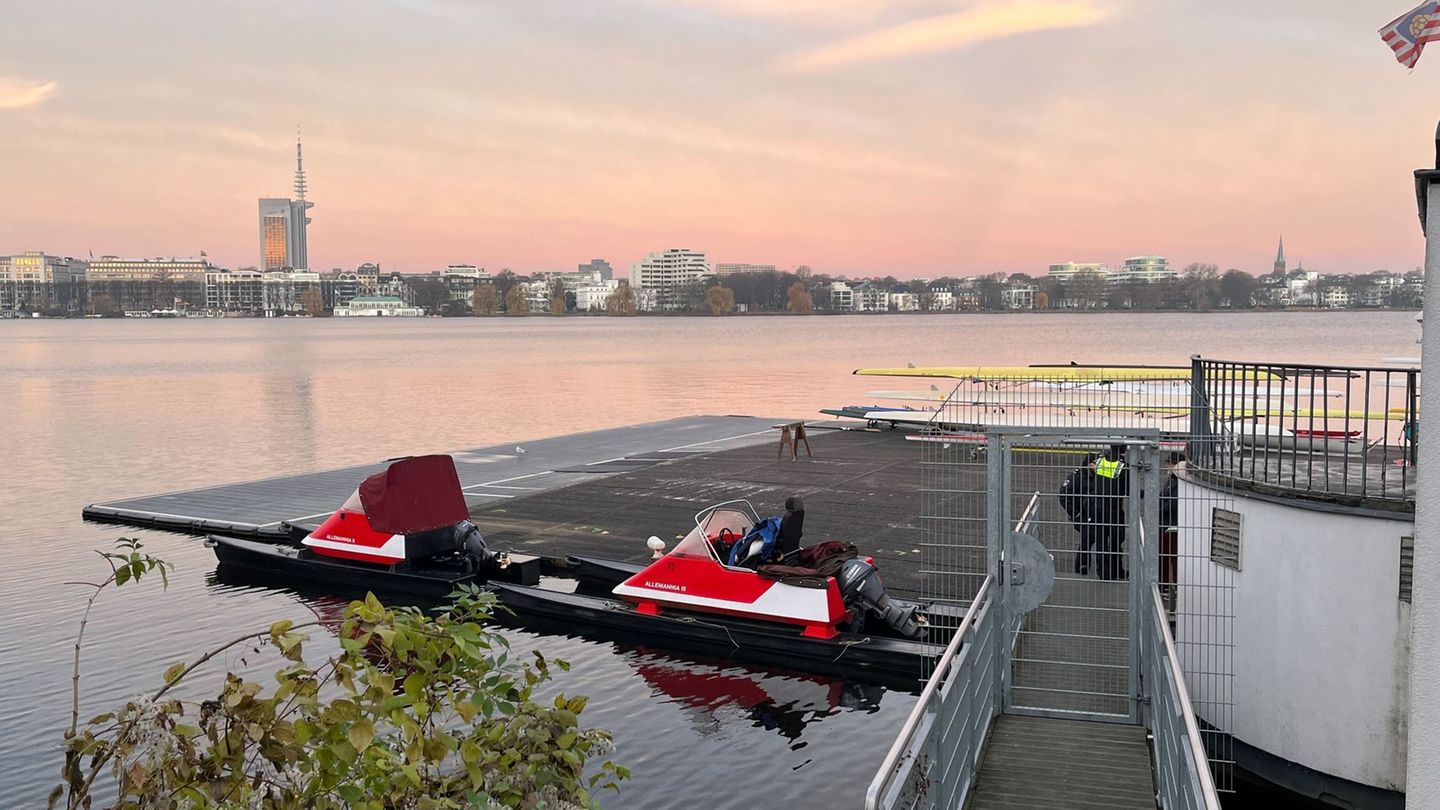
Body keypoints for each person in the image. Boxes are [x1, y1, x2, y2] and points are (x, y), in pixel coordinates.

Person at [1090, 445, 1130, 581]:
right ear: (1122, 449)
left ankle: (1104, 573)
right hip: (1113, 509)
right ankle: (1116, 571)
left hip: (1097, 507)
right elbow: (1127, 490)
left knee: (1101, 540)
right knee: (1116, 540)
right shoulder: (1123, 465)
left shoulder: (1100, 461)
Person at [1058, 454, 1100, 575]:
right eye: (1095, 463)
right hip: (1082, 516)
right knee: (1087, 539)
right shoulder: (1076, 477)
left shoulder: (1098, 477)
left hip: (1095, 514)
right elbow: (1063, 496)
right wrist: (1076, 514)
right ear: (1089, 464)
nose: (1097, 466)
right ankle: (1082, 567)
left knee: (1094, 539)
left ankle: (1094, 566)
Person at [775, 495, 805, 562]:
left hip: (783, 548)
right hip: (793, 547)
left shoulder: (788, 516)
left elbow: (782, 533)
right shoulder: (800, 514)